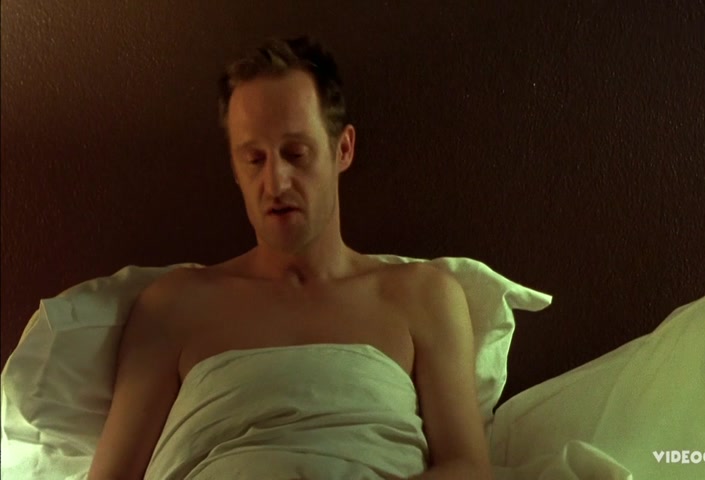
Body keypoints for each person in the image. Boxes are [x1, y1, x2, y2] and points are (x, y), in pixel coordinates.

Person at [87, 35, 492, 479]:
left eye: (295, 154)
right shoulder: (173, 306)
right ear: (234, 168)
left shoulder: (422, 296)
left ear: (343, 149)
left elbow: (468, 469)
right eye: (254, 159)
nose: (276, 182)